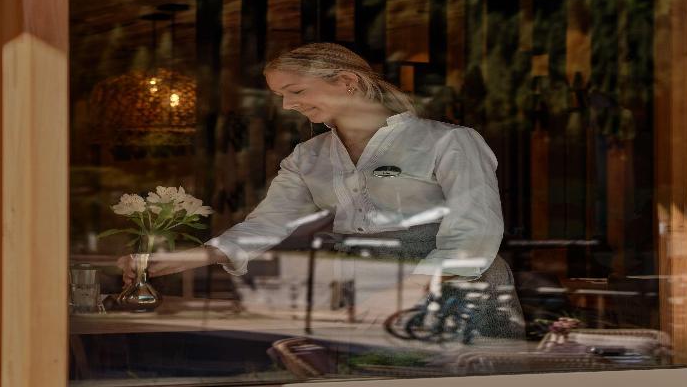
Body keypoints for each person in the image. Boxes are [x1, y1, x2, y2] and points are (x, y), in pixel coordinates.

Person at [121, 42, 523, 337]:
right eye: (281, 96)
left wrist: (410, 289)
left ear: (348, 82)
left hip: (453, 289)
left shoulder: (449, 141)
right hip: (364, 286)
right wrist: (191, 257)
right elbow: (270, 223)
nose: (287, 105)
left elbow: (475, 230)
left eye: (296, 91)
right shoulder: (308, 155)